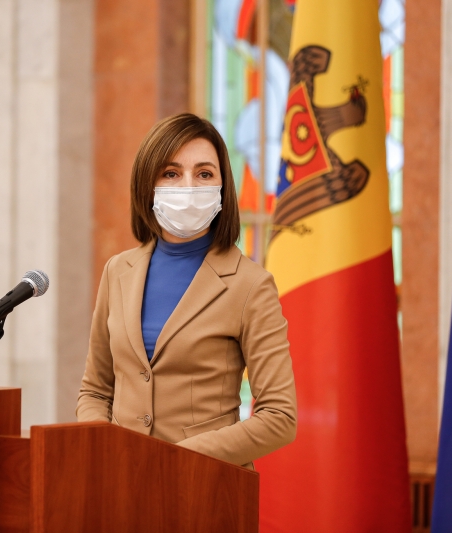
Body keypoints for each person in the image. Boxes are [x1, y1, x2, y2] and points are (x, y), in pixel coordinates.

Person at [76, 113, 296, 469]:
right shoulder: (118, 271)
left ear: (222, 186)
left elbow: (279, 417)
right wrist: (104, 449)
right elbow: (96, 391)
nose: (189, 187)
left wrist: (172, 461)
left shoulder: (251, 284)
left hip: (203, 483)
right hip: (118, 480)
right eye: (171, 173)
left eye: (204, 174)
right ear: (148, 184)